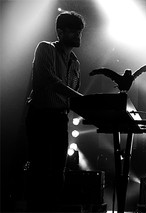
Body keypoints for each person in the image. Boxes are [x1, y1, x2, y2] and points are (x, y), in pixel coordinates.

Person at [25, 11, 85, 211]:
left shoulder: (76, 63)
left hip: (60, 120)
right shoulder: (45, 48)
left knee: (59, 172)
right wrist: (81, 99)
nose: (78, 36)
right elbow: (49, 80)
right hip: (40, 117)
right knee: (40, 170)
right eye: (74, 32)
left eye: (79, 32)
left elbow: (72, 95)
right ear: (60, 32)